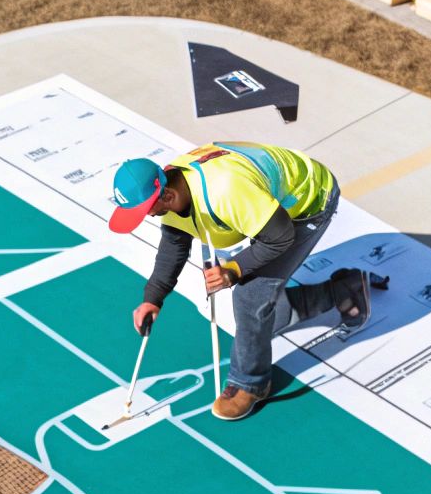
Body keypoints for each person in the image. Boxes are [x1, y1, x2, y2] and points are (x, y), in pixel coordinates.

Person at [107, 142, 375, 420]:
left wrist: (234, 270)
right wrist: (152, 298)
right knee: (257, 309)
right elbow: (173, 246)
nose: (146, 217)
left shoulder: (226, 192)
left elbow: (280, 236)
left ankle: (251, 383)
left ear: (167, 195)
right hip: (264, 204)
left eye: (145, 210)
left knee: (249, 296)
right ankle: (344, 291)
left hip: (307, 201)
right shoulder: (175, 192)